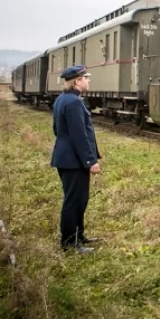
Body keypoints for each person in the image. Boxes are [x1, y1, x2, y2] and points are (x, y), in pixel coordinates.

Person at [51, 64, 101, 253]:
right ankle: (69, 242)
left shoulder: (61, 100)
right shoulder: (74, 103)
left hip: (66, 158)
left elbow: (57, 130)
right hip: (73, 161)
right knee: (74, 201)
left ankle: (79, 236)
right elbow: (80, 135)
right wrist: (90, 161)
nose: (88, 80)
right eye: (86, 78)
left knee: (79, 199)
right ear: (77, 81)